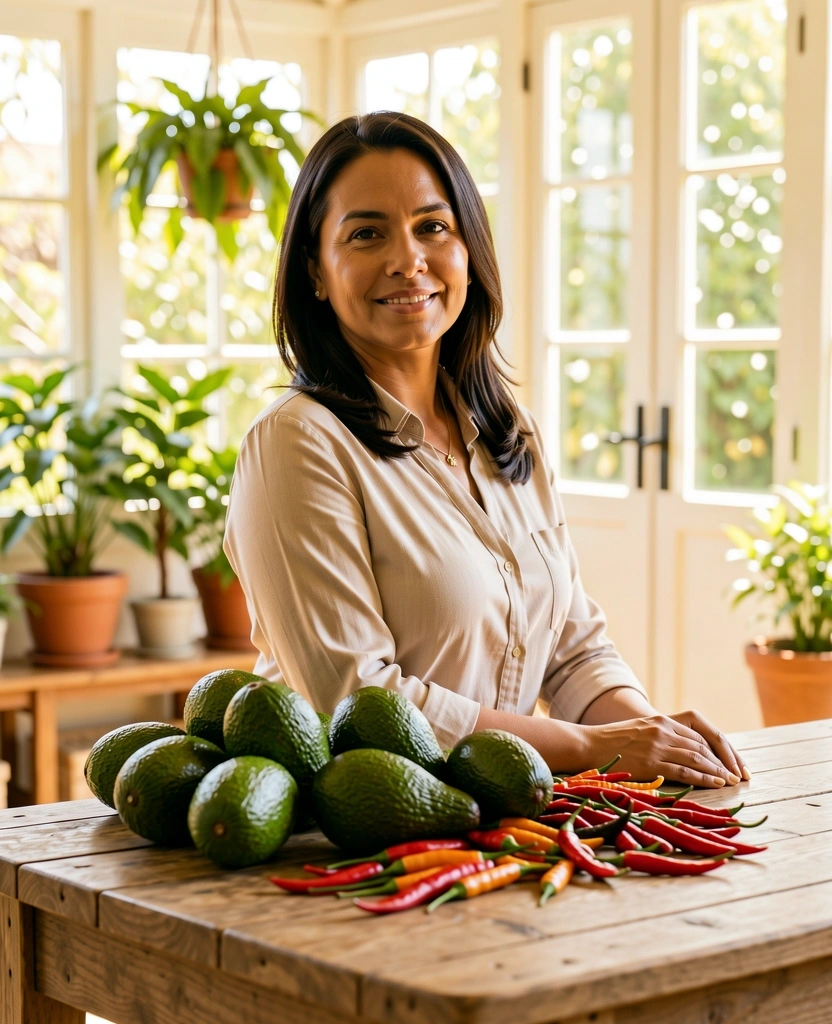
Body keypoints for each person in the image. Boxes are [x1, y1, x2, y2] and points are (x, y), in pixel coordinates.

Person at [224, 111, 749, 788]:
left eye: (432, 227)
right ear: (316, 273)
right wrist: (592, 747)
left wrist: (652, 739)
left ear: (468, 249)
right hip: (352, 840)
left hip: (498, 821)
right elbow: (359, 703)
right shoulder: (296, 442)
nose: (407, 259)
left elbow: (571, 648)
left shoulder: (508, 429)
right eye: (365, 234)